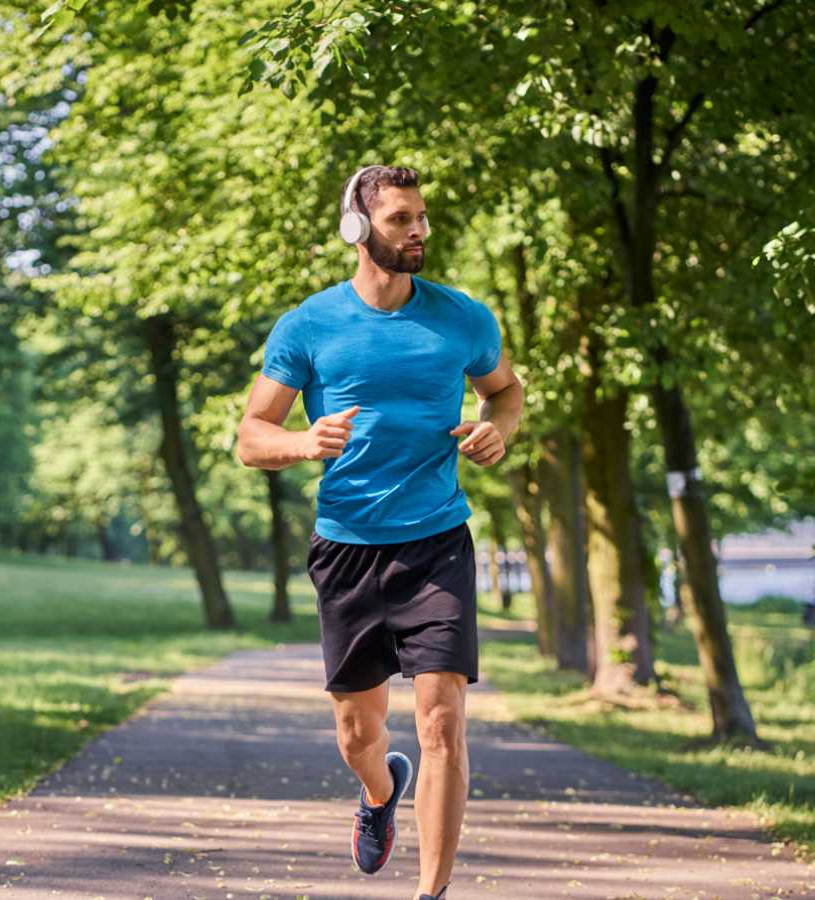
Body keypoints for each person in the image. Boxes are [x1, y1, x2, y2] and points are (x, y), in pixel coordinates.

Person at [235, 165, 524, 900]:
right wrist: (305, 443)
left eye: (421, 216)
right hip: (348, 546)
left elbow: (506, 392)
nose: (419, 230)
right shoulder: (309, 325)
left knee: (441, 722)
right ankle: (376, 794)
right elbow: (250, 436)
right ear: (358, 230)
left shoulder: (462, 317)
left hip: (437, 542)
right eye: (400, 219)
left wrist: (500, 433)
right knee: (360, 737)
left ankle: (431, 892)